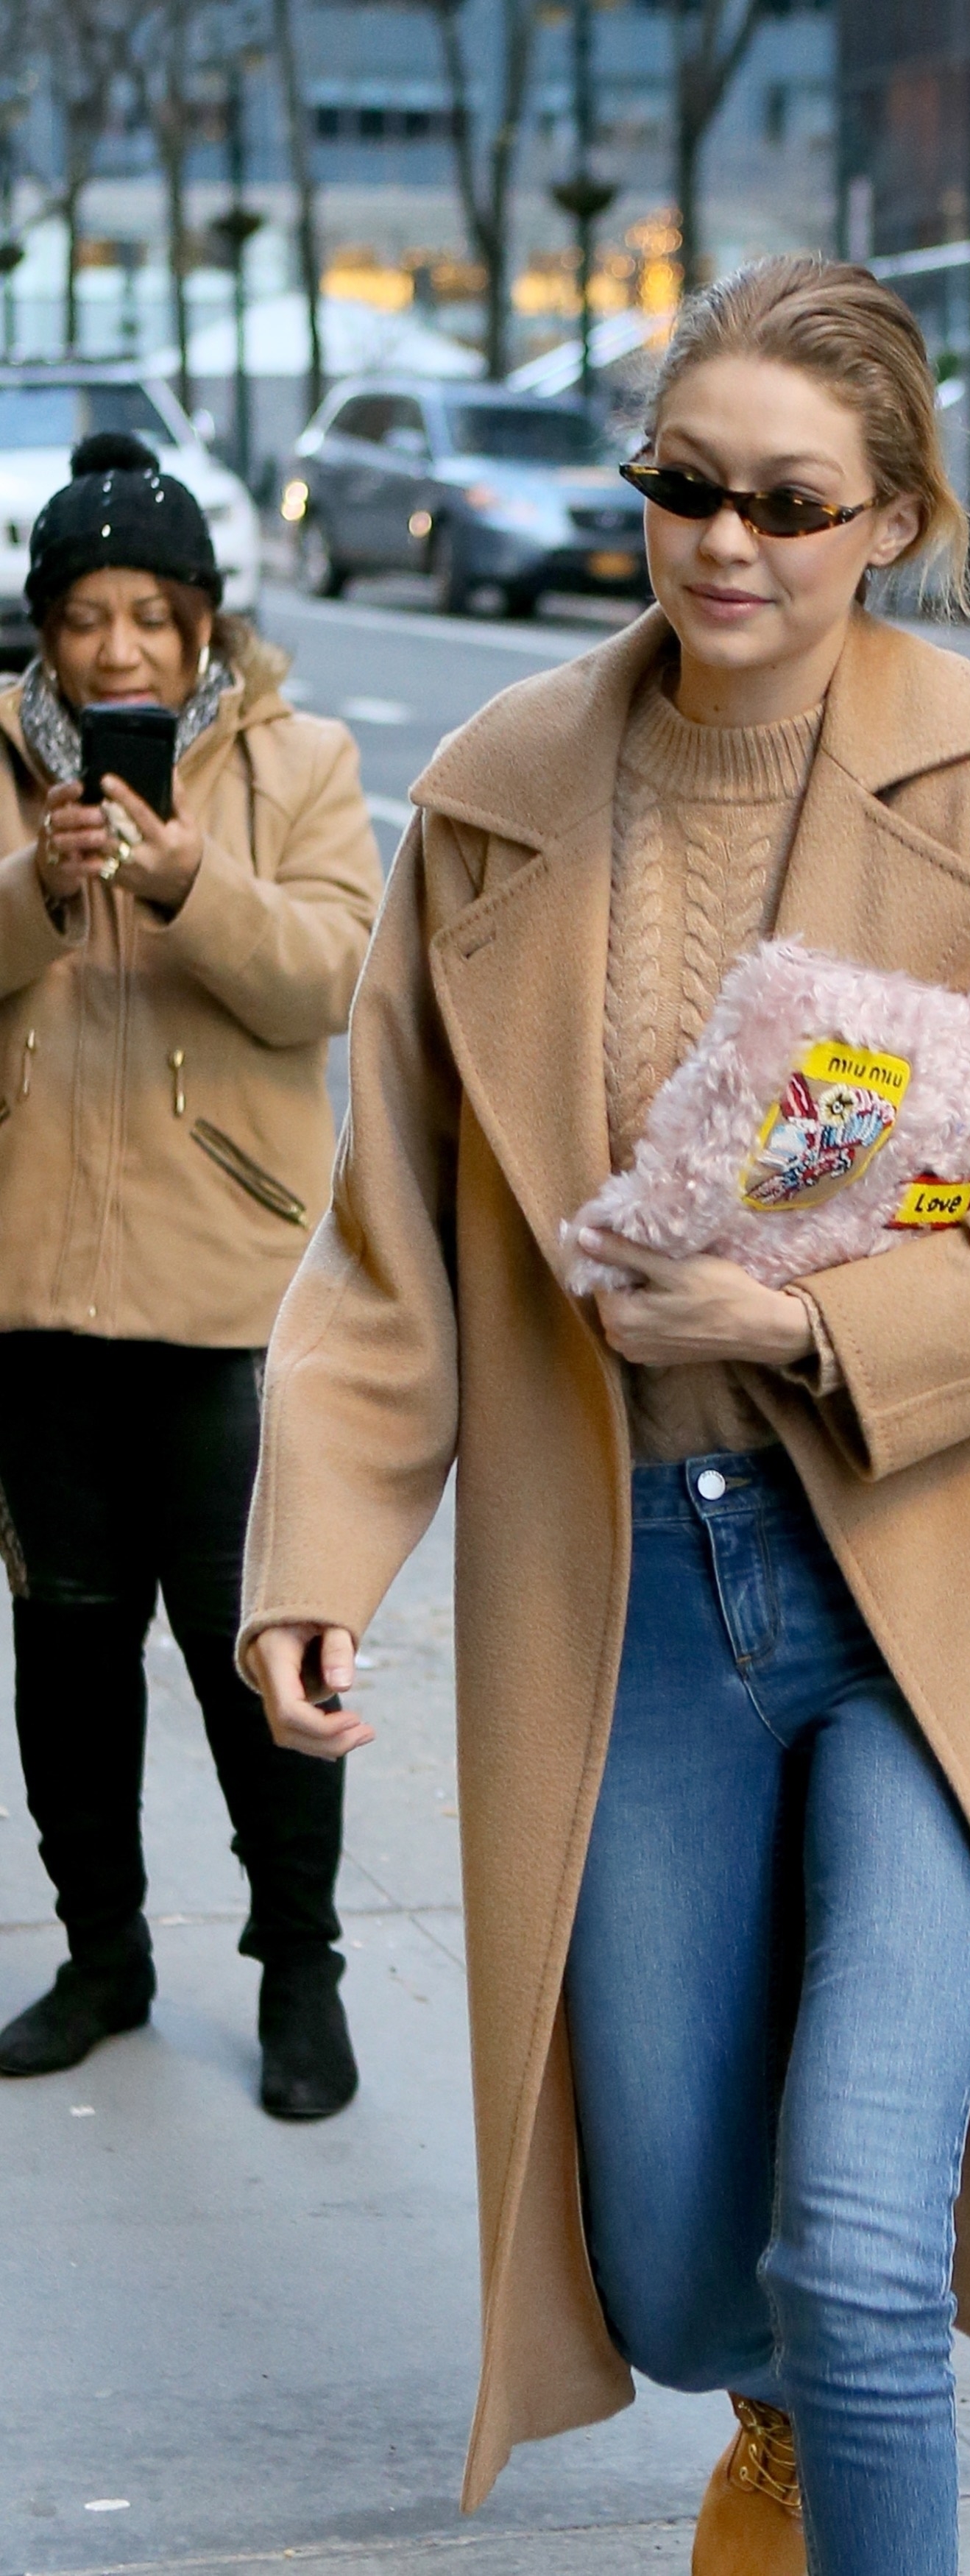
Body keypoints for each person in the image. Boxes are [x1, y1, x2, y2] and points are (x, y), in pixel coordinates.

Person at [241, 257, 970, 2571]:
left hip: (923, 1584)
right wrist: (317, 1554)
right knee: (681, 2264)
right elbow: (391, 1246)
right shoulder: (492, 800)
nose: (722, 543)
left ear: (894, 517)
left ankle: (831, 2412)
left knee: (860, 2245)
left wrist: (804, 1324)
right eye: (682, 484)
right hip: (627, 1594)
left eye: (788, 501)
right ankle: (763, 2415)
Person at [0, 431, 383, 2116]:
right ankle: (105, 1956)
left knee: (258, 1652)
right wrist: (40, 888)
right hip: (34, 1290)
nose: (123, 651)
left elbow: (332, 977)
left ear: (207, 621)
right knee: (68, 1655)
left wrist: (191, 886)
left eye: (154, 615)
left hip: (236, 1300)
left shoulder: (302, 761)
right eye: (87, 617)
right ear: (46, 630)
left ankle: (301, 1970)